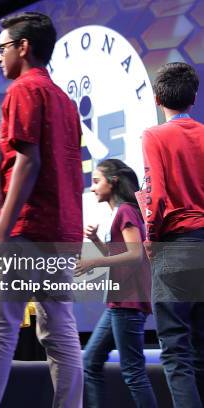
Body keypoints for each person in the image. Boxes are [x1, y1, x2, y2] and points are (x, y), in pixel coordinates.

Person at [0, 12, 84, 408]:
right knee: (62, 335)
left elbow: (29, 161)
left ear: (23, 47)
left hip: (25, 232)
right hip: (61, 233)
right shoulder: (66, 102)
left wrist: (0, 229)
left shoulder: (23, 90)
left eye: (2, 49)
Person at [141, 62, 204, 408]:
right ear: (194, 97)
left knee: (176, 351)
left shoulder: (154, 135)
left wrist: (151, 237)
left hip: (177, 246)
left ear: (155, 98)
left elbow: (156, 196)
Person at [75, 159, 156, 408]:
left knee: (133, 372)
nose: (93, 188)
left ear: (114, 181)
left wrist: (92, 262)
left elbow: (135, 255)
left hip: (128, 303)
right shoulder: (123, 212)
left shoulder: (126, 211)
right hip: (119, 303)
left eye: (97, 181)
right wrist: (96, 240)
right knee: (91, 363)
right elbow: (119, 256)